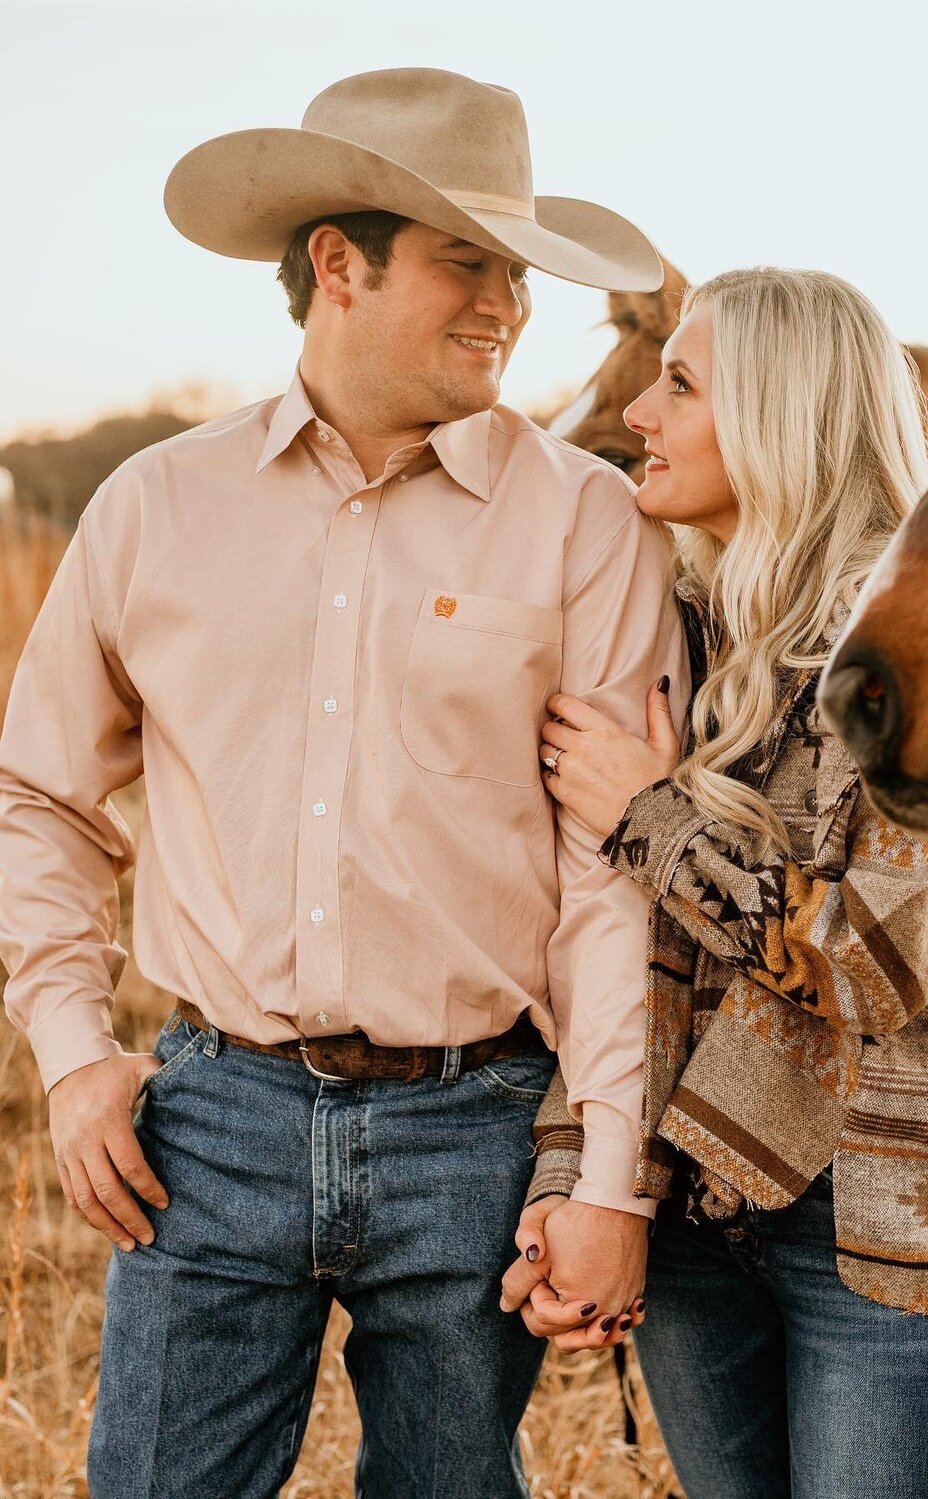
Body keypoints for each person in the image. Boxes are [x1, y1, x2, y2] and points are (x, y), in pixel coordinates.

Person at [0, 68, 686, 1498]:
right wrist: (72, 1057)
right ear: (337, 263)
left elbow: (606, 879)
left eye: (517, 271)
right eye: (468, 263)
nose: (508, 302)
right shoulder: (155, 507)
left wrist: (609, 1173)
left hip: (478, 1127)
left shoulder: (590, 524)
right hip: (208, 1119)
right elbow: (41, 800)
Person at [502, 267, 928, 1499]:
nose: (635, 416)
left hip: (885, 1235)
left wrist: (652, 816)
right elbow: (626, 948)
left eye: (679, 385)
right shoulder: (683, 628)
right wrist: (581, 1173)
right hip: (699, 1211)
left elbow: (874, 959)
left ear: (782, 413)